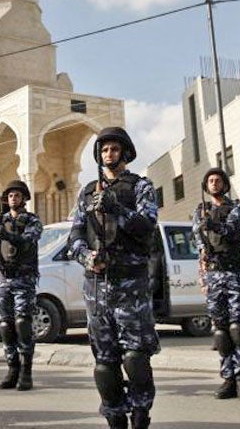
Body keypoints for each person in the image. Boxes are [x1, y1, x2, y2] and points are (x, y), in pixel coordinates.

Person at [69, 127, 159, 429]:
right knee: (104, 364)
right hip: (97, 286)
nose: (109, 154)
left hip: (130, 283)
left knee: (135, 357)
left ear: (125, 152)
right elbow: (75, 237)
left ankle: (141, 413)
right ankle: (115, 417)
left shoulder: (140, 187)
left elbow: (147, 225)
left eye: (114, 149)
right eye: (105, 150)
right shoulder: (87, 192)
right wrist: (86, 257)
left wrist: (116, 208)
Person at [192, 167, 240, 401]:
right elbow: (197, 238)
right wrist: (203, 257)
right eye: (210, 181)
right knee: (220, 329)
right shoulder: (201, 210)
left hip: (233, 272)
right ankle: (228, 377)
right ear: (206, 187)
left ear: (224, 184)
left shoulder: (236, 206)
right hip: (214, 274)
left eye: (218, 180)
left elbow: (231, 229)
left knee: (237, 327)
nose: (214, 184)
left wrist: (212, 224)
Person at [0, 180, 43, 391]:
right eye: (10, 195)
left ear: (24, 199)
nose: (13, 198)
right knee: (5, 324)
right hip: (4, 277)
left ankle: (26, 372)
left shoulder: (32, 220)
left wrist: (7, 235)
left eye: (17, 195)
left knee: (23, 323)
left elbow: (28, 240)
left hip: (24, 278)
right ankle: (12, 368)